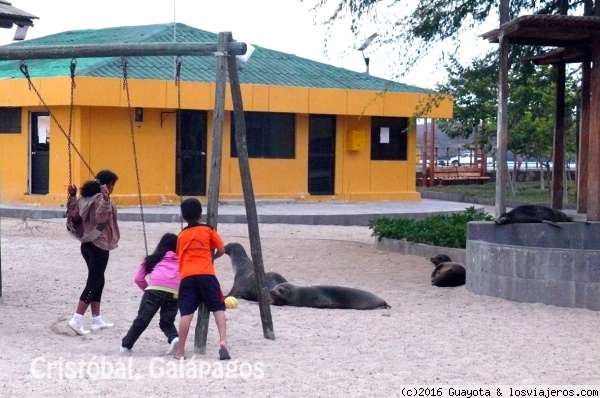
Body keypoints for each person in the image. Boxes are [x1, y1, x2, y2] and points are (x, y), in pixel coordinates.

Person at [66, 169, 120, 336]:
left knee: (99, 280)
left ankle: (96, 320)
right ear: (108, 185)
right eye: (113, 185)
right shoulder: (100, 199)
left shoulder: (85, 197)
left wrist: (73, 196)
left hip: (87, 244)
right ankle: (77, 319)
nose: (112, 189)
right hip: (99, 244)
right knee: (93, 281)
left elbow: (73, 214)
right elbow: (101, 218)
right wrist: (105, 200)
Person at [175, 198, 229, 360]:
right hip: (207, 274)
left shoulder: (181, 235)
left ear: (184, 217)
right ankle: (223, 341)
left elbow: (179, 255)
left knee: (186, 313)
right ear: (201, 214)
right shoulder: (208, 230)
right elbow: (221, 250)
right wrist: (211, 258)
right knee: (218, 308)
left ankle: (181, 351)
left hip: (188, 276)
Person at [121, 233, 180, 355]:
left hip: (154, 291)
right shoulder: (182, 260)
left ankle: (126, 345)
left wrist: (147, 289)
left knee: (142, 320)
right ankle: (174, 338)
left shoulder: (153, 259)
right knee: (167, 322)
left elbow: (138, 278)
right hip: (174, 293)